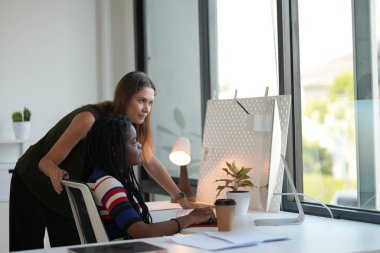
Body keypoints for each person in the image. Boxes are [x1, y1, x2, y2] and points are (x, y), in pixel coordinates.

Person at [9, 71, 206, 252]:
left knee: (67, 248)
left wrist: (181, 198)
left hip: (65, 190)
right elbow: (46, 161)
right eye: (141, 100)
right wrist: (55, 171)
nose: (146, 109)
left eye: (151, 102)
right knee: (26, 249)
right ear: (125, 97)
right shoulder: (89, 119)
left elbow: (150, 161)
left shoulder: (128, 128)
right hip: (33, 180)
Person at [84, 114, 214, 239]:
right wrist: (190, 218)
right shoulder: (108, 184)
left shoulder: (99, 177)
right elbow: (141, 232)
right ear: (115, 150)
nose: (140, 145)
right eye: (134, 142)